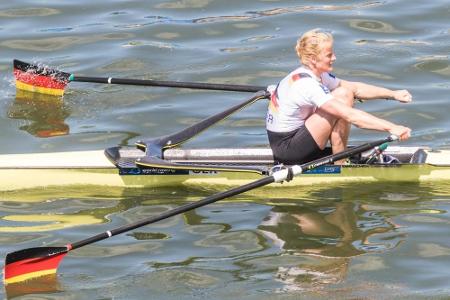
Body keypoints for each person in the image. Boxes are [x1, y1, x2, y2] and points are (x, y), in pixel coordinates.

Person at [266, 28, 412, 165]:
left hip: (292, 139)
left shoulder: (315, 74)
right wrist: (392, 128)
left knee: (344, 92)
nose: (334, 58)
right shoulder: (306, 84)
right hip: (288, 150)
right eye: (329, 55)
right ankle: (341, 162)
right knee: (342, 99)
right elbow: (351, 116)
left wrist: (393, 94)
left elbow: (355, 88)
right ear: (313, 59)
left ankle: (340, 157)